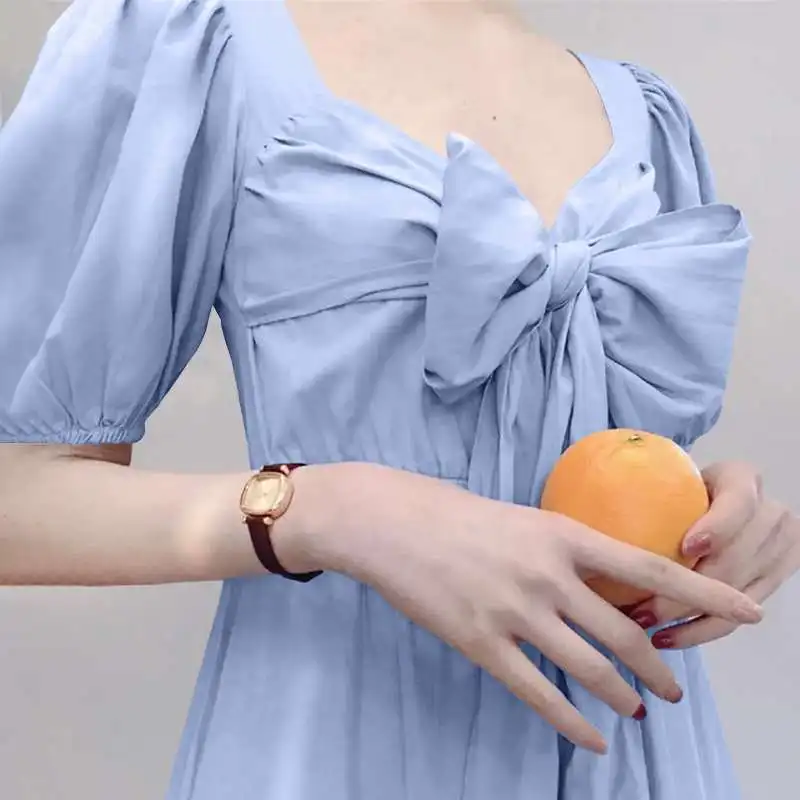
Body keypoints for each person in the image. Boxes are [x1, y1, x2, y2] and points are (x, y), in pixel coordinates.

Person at [0, 1, 796, 798]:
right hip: (344, 742)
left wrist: (709, 513)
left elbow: (602, 460)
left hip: (634, 747)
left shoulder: (647, 115)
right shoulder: (192, 41)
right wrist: (326, 510)